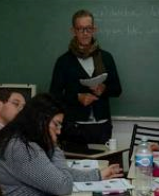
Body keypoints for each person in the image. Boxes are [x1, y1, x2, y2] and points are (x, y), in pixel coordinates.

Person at [0, 94, 123, 196]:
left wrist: (98, 175)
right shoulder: (22, 147)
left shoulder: (19, 138)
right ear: (40, 120)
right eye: (56, 124)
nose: (58, 131)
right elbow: (63, 185)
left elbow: (59, 174)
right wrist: (53, 144)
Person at [49, 9, 123, 146]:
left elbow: (117, 89)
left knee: (104, 165)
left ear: (94, 29)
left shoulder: (106, 57)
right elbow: (54, 95)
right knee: (75, 165)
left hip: (102, 126)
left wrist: (103, 89)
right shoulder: (64, 61)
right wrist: (77, 97)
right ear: (73, 31)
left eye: (88, 29)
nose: (85, 33)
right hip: (74, 127)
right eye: (80, 29)